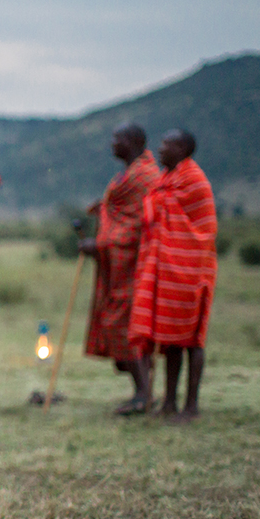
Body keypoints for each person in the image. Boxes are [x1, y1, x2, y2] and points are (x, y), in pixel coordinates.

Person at [129, 129, 218, 423]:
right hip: (168, 271)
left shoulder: (193, 181)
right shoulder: (167, 180)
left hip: (191, 271)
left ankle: (191, 407)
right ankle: (169, 402)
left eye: (166, 144)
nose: (160, 149)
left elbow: (199, 230)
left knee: (192, 341)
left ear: (182, 148)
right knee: (170, 341)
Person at [79, 123, 161, 415]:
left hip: (135, 266)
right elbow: (120, 215)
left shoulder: (145, 177)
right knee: (120, 324)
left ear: (134, 141)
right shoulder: (127, 176)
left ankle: (143, 394)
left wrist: (100, 246)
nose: (112, 143)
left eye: (118, 138)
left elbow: (138, 225)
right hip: (118, 268)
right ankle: (144, 391)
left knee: (128, 326)